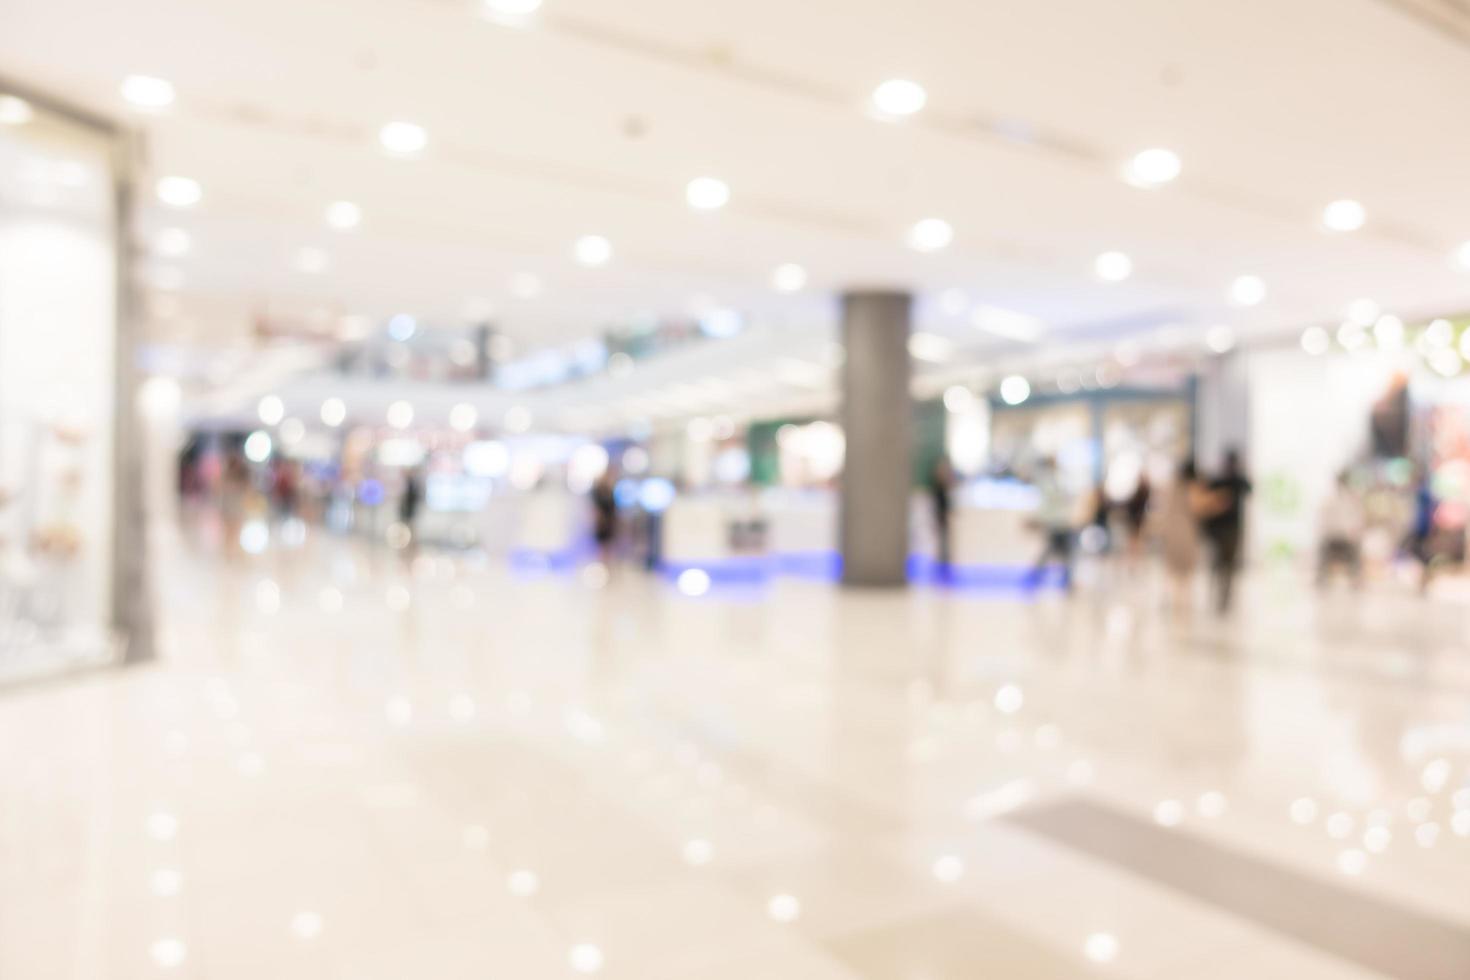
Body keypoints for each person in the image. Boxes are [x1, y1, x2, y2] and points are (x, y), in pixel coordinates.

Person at [1152, 460, 1209, 615]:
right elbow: (1197, 506)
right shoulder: (1191, 487)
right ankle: (1181, 603)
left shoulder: (1169, 485)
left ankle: (1170, 599)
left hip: (1169, 529)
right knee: (1184, 570)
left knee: (1171, 568)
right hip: (1185, 530)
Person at [1202, 448, 1252, 614]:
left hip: (1230, 529)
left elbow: (1250, 489)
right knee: (1220, 564)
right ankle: (1218, 595)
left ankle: (1224, 597)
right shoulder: (1220, 480)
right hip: (1222, 530)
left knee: (1226, 564)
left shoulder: (1236, 481)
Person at [1029, 458, 1076, 591]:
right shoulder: (1047, 482)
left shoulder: (1061, 479)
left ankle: (1066, 579)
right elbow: (1047, 502)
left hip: (1063, 521)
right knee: (1050, 549)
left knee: (1066, 552)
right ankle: (1037, 574)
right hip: (1053, 521)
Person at [1316, 471, 1364, 588]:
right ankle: (1321, 578)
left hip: (1345, 538)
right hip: (1334, 537)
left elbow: (1357, 521)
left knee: (1356, 549)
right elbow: (1324, 521)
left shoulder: (1352, 499)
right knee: (1323, 547)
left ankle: (1355, 578)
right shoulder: (1330, 500)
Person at [1406, 466, 1438, 594]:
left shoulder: (1423, 492)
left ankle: (1425, 578)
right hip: (1422, 528)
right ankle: (1424, 577)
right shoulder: (1424, 493)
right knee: (1419, 554)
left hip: (1422, 529)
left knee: (1420, 554)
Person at [929, 457, 955, 576]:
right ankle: (941, 565)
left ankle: (944, 564)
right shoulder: (937, 487)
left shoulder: (944, 487)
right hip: (940, 517)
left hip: (943, 518)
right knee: (941, 542)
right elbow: (936, 504)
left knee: (945, 542)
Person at [591, 468, 619, 564]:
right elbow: (596, 508)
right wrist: (599, 519)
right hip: (601, 523)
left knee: (609, 545)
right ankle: (601, 563)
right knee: (602, 544)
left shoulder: (611, 492)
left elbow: (614, 508)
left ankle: (607, 563)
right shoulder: (598, 492)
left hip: (610, 522)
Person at [1123, 473, 1152, 563]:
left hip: (1139, 518)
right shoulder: (1139, 492)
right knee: (1134, 539)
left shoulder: (1143, 491)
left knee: (1137, 539)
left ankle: (1136, 557)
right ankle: (1134, 557)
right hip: (1135, 518)